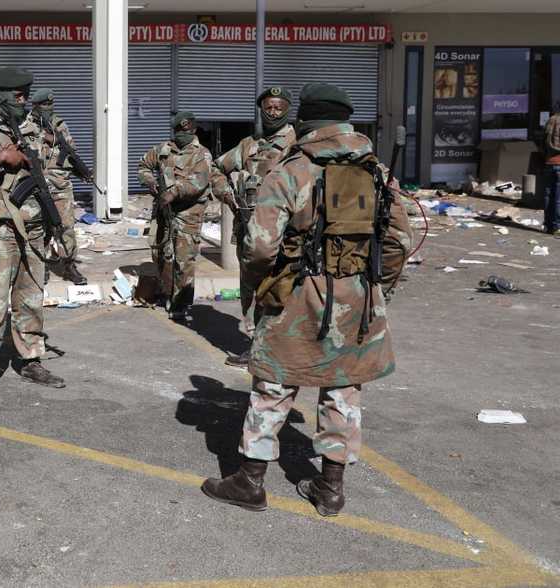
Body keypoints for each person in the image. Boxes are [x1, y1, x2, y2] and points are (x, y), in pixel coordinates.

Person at [201, 83, 413, 517]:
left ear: (307, 121)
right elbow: (398, 242)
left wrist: (262, 286)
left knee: (274, 386)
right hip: (358, 297)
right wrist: (376, 288)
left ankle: (250, 481)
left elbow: (259, 247)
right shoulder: (377, 171)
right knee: (342, 388)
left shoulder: (292, 169)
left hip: (297, 293)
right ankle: (330, 488)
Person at [0, 66, 66, 404]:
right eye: (17, 97)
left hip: (33, 228)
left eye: (25, 96)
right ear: (2, 95)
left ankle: (31, 359)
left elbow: (49, 177)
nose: (23, 102)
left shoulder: (33, 127)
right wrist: (0, 159)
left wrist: (59, 224)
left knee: (31, 297)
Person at [215, 87, 297, 368]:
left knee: (282, 287)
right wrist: (229, 195)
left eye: (278, 107)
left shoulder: (297, 144)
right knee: (250, 288)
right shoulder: (249, 145)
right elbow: (217, 170)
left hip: (284, 233)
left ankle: (279, 346)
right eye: (268, 108)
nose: (273, 112)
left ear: (288, 109)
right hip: (249, 229)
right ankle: (257, 345)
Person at [137, 111, 231, 321]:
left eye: (186, 130)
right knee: (159, 251)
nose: (182, 134)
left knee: (183, 260)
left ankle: (181, 303)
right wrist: (150, 182)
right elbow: (143, 165)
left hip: (188, 213)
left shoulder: (202, 154)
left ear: (194, 129)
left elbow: (198, 183)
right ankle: (165, 291)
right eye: (178, 130)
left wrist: (174, 191)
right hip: (162, 210)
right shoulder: (163, 149)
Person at [27, 88, 88, 286]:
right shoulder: (25, 125)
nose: (48, 109)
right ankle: (41, 266)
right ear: (35, 106)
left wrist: (56, 141)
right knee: (39, 227)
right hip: (35, 185)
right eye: (45, 105)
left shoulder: (60, 124)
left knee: (66, 227)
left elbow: (71, 150)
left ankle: (69, 265)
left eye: (50, 105)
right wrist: (40, 138)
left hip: (59, 185)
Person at [543, 107, 560, 236]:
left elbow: (542, 141)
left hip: (549, 162)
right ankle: (557, 226)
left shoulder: (551, 120)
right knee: (558, 197)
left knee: (548, 195)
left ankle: (548, 225)